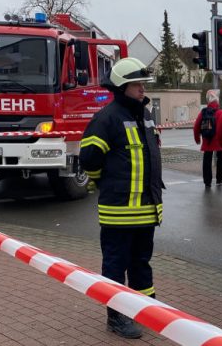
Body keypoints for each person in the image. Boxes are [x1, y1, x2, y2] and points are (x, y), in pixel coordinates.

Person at [79, 58, 163, 339]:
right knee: (116, 265)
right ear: (122, 86)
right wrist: (104, 182)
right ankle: (116, 317)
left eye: (142, 84)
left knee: (141, 263)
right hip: (119, 212)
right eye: (137, 84)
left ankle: (146, 309)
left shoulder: (145, 115)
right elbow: (89, 158)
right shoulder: (107, 118)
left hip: (147, 210)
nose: (142, 89)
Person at [193, 90, 222, 188]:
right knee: (221, 158)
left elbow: (196, 126)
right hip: (219, 142)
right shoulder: (221, 113)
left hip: (207, 140)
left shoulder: (203, 112)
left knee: (207, 160)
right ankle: (219, 178)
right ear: (217, 102)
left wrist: (197, 139)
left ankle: (207, 181)